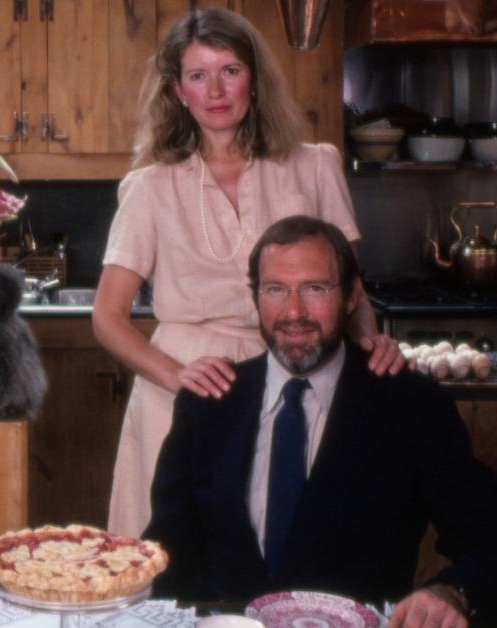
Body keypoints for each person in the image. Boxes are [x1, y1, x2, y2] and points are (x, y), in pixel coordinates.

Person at [94, 8, 406, 537]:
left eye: (230, 71)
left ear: (255, 80)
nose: (216, 90)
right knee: (170, 558)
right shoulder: (150, 188)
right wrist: (176, 376)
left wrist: (371, 347)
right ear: (178, 91)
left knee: (287, 547)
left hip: (296, 379)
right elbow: (107, 316)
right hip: (183, 390)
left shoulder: (314, 165)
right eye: (198, 75)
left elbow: (351, 293)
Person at [145, 216, 497, 628]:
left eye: (315, 289)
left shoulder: (413, 407)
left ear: (352, 296)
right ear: (256, 296)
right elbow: (161, 556)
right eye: (275, 289)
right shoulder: (208, 403)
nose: (293, 312)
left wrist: (451, 593)